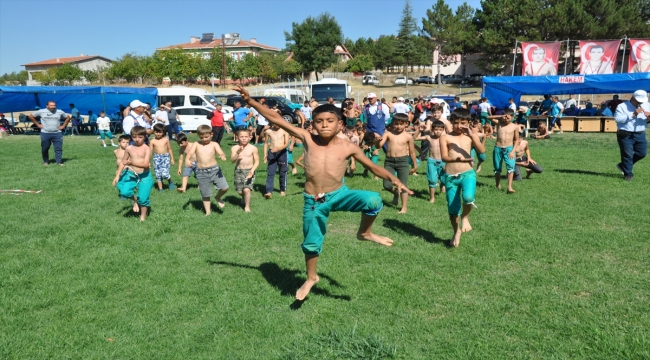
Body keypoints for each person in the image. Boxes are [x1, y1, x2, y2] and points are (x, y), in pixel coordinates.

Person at [233, 84, 411, 301]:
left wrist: (393, 179)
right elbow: (277, 119)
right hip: (314, 200)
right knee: (311, 243)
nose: (324, 125)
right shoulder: (307, 138)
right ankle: (311, 277)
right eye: (319, 121)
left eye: (330, 121)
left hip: (340, 194)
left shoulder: (348, 147)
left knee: (373, 200)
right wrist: (250, 101)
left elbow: (373, 167)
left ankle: (365, 232)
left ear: (340, 124)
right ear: (313, 124)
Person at [439, 109, 485, 247]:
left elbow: (482, 151)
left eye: (462, 123)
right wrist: (456, 159)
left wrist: (472, 134)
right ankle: (456, 231)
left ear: (468, 123)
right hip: (450, 176)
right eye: (456, 123)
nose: (459, 126)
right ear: (451, 122)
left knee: (468, 197)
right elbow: (444, 157)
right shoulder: (445, 137)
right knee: (453, 209)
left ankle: (465, 217)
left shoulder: (470, 136)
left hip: (467, 174)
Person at [184, 125, 229, 215]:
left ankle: (218, 197)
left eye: (206, 137)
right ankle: (208, 212)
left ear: (211, 134)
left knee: (225, 187)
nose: (204, 139)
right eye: (202, 137)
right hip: (201, 171)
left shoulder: (214, 144)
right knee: (205, 194)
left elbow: (220, 152)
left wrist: (222, 155)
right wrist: (187, 160)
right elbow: (190, 153)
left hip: (215, 170)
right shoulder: (196, 144)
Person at [112, 126, 154, 221]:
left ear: (145, 137)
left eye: (140, 137)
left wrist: (131, 163)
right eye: (134, 137)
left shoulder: (146, 148)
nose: (137, 139)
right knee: (124, 191)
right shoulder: (129, 148)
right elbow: (123, 161)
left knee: (143, 198)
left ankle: (142, 217)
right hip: (131, 174)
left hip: (145, 176)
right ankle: (136, 201)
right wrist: (117, 175)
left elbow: (146, 164)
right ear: (131, 137)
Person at [378, 113, 417, 214]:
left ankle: (404, 207)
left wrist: (415, 165)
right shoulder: (388, 134)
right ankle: (395, 193)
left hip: (403, 162)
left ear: (406, 124)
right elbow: (380, 145)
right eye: (396, 124)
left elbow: (412, 152)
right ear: (392, 124)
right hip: (389, 161)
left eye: (401, 124)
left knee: (403, 185)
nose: (398, 126)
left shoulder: (408, 137)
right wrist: (377, 141)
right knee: (386, 184)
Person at [614, 90, 650, 181]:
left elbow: (647, 120)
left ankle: (623, 165)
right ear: (633, 97)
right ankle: (628, 174)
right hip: (625, 134)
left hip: (640, 133)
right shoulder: (622, 106)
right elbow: (618, 119)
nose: (640, 102)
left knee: (642, 153)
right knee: (627, 155)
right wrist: (633, 114)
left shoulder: (647, 105)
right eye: (638, 100)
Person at [29, 101, 70, 166]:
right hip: (45, 133)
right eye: (51, 105)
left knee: (58, 148)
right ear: (47, 106)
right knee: (45, 148)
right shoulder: (41, 111)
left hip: (57, 133)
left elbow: (68, 117)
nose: (53, 107)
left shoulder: (59, 111)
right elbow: (31, 116)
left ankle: (59, 162)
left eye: (54, 105)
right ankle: (46, 161)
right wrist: (38, 124)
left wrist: (63, 125)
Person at [414, 120, 446, 203]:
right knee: (432, 180)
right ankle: (432, 198)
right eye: (436, 129)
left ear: (443, 130)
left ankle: (442, 186)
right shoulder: (429, 137)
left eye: (440, 129)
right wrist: (420, 131)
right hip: (432, 161)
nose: (438, 131)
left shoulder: (446, 138)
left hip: (443, 161)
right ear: (432, 129)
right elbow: (414, 138)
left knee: (444, 180)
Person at [489, 108, 519, 193]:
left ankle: (509, 187)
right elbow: (488, 117)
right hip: (498, 148)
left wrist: (513, 151)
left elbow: (516, 140)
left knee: (510, 167)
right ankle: (497, 184)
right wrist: (500, 116)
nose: (506, 119)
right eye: (504, 117)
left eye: (508, 118)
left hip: (509, 149)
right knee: (497, 168)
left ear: (512, 117)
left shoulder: (515, 127)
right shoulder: (499, 123)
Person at [231, 129, 259, 212]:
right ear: (237, 137)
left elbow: (257, 161)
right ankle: (243, 197)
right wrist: (237, 153)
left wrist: (252, 170)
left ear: (250, 137)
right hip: (238, 171)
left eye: (246, 137)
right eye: (241, 137)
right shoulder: (234, 148)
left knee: (246, 190)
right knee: (240, 191)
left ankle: (247, 207)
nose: (244, 138)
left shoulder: (253, 148)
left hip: (249, 171)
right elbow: (232, 160)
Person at [263, 121, 290, 198]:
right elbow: (265, 143)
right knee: (270, 172)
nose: (277, 125)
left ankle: (282, 189)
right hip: (272, 153)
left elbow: (286, 144)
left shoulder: (284, 130)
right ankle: (269, 191)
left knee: (282, 172)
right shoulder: (268, 131)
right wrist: (265, 155)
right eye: (275, 124)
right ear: (272, 123)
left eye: (278, 123)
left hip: (282, 153)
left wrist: (278, 148)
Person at [150, 123, 175, 191]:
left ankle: (170, 181)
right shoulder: (152, 141)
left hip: (165, 157)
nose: (158, 134)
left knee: (165, 174)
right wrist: (148, 161)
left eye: (160, 132)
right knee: (158, 174)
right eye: (156, 132)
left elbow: (169, 149)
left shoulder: (166, 140)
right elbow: (150, 152)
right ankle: (160, 189)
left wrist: (172, 158)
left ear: (163, 132)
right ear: (154, 132)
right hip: (156, 158)